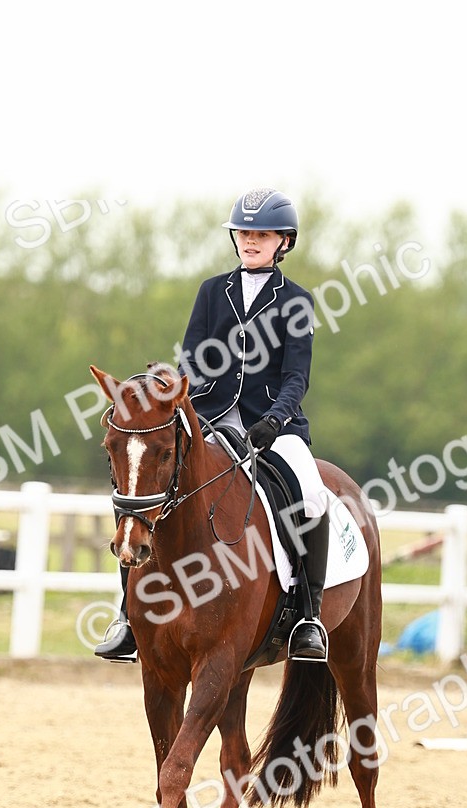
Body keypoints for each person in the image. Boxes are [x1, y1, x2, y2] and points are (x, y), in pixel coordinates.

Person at [95, 187, 329, 663]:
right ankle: (127, 616)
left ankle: (308, 615)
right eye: (244, 233)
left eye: (262, 235)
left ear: (284, 241)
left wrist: (275, 420)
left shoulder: (297, 301)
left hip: (274, 426)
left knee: (311, 492)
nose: (251, 241)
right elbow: (194, 361)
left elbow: (296, 377)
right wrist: (174, 395)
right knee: (148, 490)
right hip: (209, 417)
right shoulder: (211, 291)